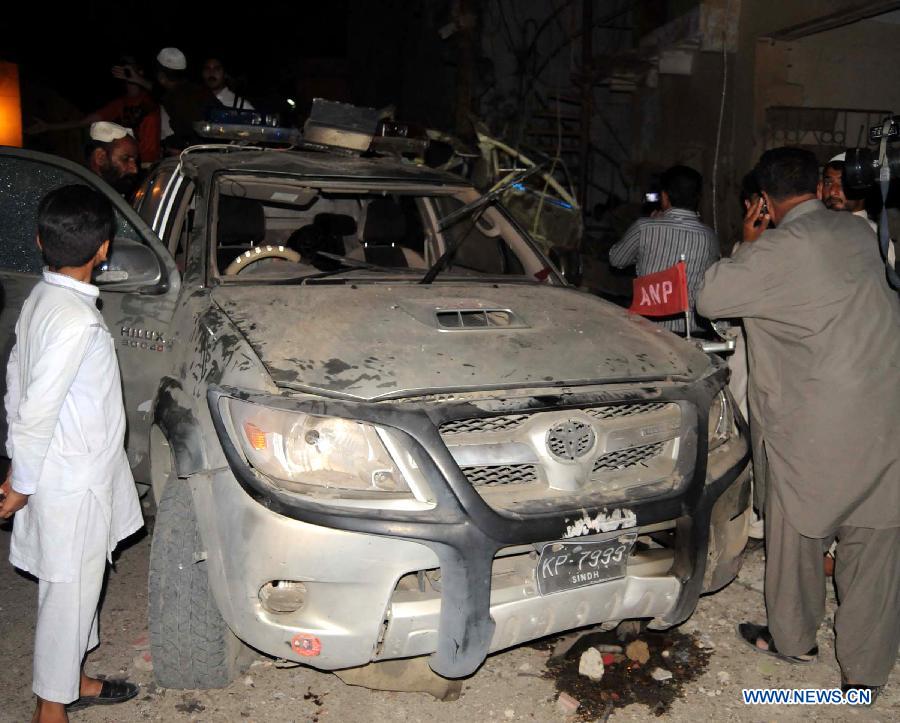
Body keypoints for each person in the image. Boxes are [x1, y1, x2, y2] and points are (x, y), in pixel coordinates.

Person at [696, 147, 900, 702]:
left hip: (811, 429)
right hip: (885, 418)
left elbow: (709, 296)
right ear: (818, 184)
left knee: (796, 539)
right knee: (876, 547)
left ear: (764, 198)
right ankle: (864, 675)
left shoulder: (775, 250)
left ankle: (793, 641)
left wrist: (751, 240)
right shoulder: (863, 234)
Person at [0, 185, 143, 721]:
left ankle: (74, 677)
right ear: (104, 248)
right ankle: (50, 708)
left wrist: (17, 457)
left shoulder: (44, 298)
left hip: (75, 469)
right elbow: (37, 407)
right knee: (68, 591)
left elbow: (16, 377)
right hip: (69, 479)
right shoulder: (76, 321)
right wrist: (21, 481)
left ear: (39, 241)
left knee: (82, 582)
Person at [609, 165, 720, 334]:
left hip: (649, 331)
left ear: (665, 197)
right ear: (698, 197)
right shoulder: (709, 237)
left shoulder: (644, 227)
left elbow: (616, 259)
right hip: (693, 334)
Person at [27, 57, 160, 167]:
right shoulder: (119, 104)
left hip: (154, 162)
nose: (126, 70)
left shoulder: (155, 96)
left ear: (140, 71)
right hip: (133, 162)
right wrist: (49, 127)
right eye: (124, 67)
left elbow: (171, 94)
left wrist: (139, 80)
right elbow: (84, 122)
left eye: (130, 67)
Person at [154, 47, 220, 153]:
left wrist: (172, 146)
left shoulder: (178, 99)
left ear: (161, 76)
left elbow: (191, 135)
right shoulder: (196, 90)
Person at [820, 152, 876, 230]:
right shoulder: (819, 226)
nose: (832, 191)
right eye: (828, 183)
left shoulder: (873, 233)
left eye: (843, 183)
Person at [86, 121, 139, 197]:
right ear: (100, 157)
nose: (135, 170)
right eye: (125, 159)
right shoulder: (83, 200)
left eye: (135, 161)